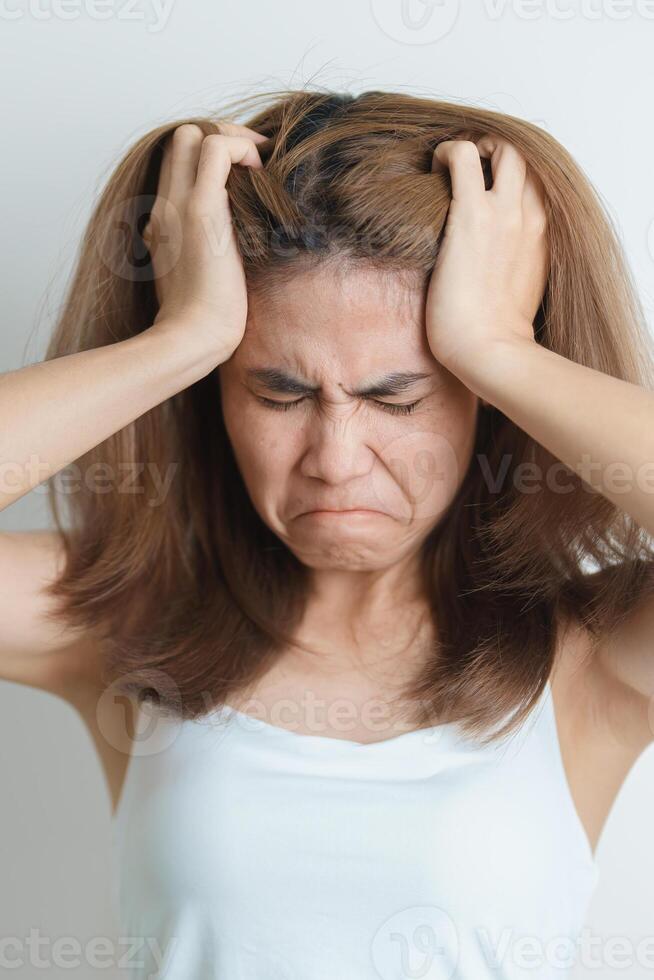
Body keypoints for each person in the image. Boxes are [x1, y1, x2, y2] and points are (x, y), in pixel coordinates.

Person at [2, 88, 654, 978]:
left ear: (489, 407)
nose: (336, 460)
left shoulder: (590, 660)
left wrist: (501, 348)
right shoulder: (121, 623)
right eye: (279, 393)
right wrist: (179, 337)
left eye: (399, 397)